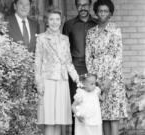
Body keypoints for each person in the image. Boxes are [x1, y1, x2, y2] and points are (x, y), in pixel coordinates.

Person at [35, 7, 79, 135]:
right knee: (49, 120)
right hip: (47, 81)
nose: (55, 22)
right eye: (51, 19)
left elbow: (68, 62)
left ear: (61, 21)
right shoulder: (42, 38)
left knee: (59, 120)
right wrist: (39, 83)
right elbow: (38, 62)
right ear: (46, 21)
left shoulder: (65, 39)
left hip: (62, 81)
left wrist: (77, 78)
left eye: (57, 19)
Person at [86, 0, 127, 135]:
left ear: (110, 13)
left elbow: (118, 56)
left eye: (106, 11)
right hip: (97, 79)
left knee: (113, 116)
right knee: (102, 116)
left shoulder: (115, 31)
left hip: (113, 79)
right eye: (100, 11)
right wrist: (94, 79)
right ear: (96, 13)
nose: (102, 13)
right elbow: (89, 57)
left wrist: (109, 78)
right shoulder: (91, 33)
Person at [62, 0, 97, 134]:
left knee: (92, 103)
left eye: (85, 5)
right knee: (76, 104)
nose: (83, 8)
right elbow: (65, 50)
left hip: (93, 69)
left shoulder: (96, 24)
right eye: (79, 5)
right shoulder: (69, 25)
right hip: (76, 69)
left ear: (90, 6)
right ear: (76, 6)